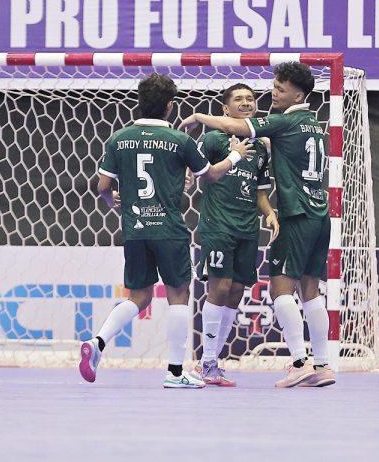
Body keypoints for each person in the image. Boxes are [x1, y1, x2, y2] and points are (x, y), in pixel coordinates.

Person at [79, 73, 254, 388]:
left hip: (134, 229)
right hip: (169, 229)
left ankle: (98, 341)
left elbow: (103, 186)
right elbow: (211, 175)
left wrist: (111, 201)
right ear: (170, 106)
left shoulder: (118, 138)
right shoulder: (179, 140)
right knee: (178, 295)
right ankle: (175, 373)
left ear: (140, 102)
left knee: (139, 296)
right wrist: (235, 155)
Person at [180, 62, 335, 388]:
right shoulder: (313, 125)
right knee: (309, 290)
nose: (272, 93)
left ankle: (299, 363)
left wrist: (198, 116)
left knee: (281, 289)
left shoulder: (282, 125)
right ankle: (322, 364)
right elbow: (200, 168)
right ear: (226, 105)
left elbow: (238, 128)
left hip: (296, 215)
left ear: (298, 95)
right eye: (274, 87)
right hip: (318, 215)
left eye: (279, 89)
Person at [191, 84, 279, 387]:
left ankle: (212, 362)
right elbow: (199, 171)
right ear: (226, 109)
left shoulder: (261, 147)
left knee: (237, 290)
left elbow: (260, 191)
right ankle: (207, 362)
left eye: (250, 99)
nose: (246, 102)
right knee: (220, 286)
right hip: (218, 225)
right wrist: (232, 156)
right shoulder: (213, 139)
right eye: (238, 99)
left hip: (247, 228)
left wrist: (269, 213)